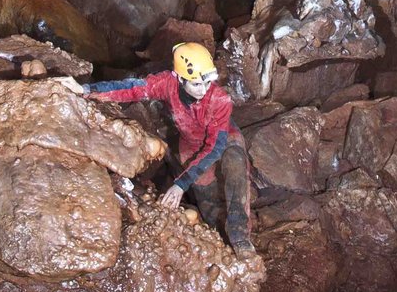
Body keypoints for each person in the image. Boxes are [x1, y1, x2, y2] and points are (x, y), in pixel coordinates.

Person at [61, 43, 254, 256]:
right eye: (197, 84)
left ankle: (241, 239)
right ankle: (220, 244)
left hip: (225, 140)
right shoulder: (168, 84)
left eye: (208, 83)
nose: (204, 90)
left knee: (234, 168)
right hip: (190, 146)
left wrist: (180, 184)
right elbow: (132, 88)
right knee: (207, 200)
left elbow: (215, 148)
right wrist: (86, 90)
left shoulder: (219, 99)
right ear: (180, 78)